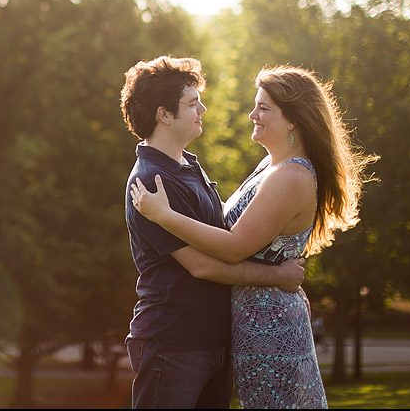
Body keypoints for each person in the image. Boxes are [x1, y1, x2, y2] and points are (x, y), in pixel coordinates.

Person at [132, 65, 375, 409]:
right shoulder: (271, 166)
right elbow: (224, 224)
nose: (252, 115)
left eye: (263, 108)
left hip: (270, 326)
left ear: (292, 119)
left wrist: (165, 215)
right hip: (246, 325)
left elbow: (232, 247)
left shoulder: (290, 176)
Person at [121, 56, 307, 409]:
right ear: (164, 114)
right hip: (173, 343)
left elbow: (224, 236)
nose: (202, 109)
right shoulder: (151, 182)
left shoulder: (189, 165)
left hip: (212, 342)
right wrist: (278, 276)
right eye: (192, 103)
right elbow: (203, 266)